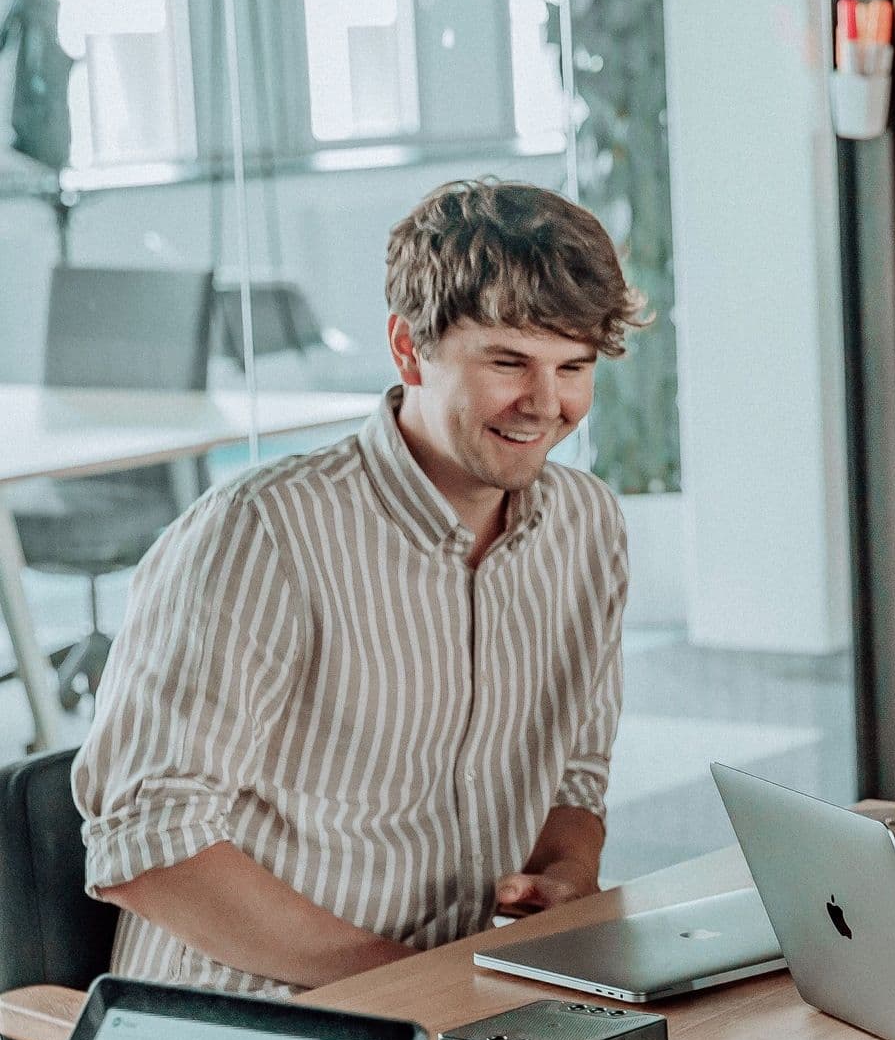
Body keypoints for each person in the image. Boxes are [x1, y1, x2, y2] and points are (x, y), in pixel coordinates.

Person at [73, 178, 644, 996]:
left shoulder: (586, 526)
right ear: (409, 349)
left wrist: (564, 869)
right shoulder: (262, 533)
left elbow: (573, 776)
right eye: (509, 362)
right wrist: (424, 989)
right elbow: (147, 846)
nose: (546, 405)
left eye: (574, 367)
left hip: (466, 1006)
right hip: (249, 1029)